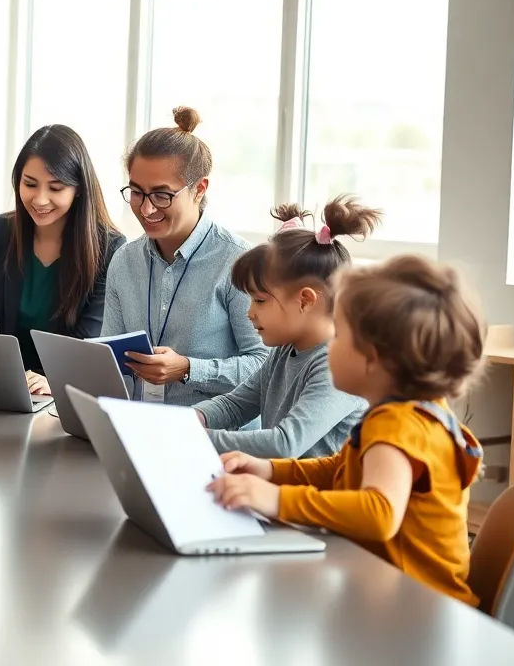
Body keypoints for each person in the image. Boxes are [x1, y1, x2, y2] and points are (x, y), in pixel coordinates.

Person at [209, 255, 485, 605]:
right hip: (398, 597)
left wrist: (276, 499)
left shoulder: (397, 425)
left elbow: (379, 513)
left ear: (373, 357)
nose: (329, 344)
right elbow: (340, 468)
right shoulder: (412, 413)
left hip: (416, 608)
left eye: (338, 334)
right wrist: (271, 470)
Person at [101, 106, 268, 405]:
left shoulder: (239, 262)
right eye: (137, 192)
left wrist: (189, 369)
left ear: (199, 189)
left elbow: (266, 366)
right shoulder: (124, 261)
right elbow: (106, 360)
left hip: (212, 429)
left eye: (162, 195)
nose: (146, 209)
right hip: (136, 422)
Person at [193, 197, 379, 458]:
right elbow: (236, 405)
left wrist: (195, 436)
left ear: (305, 301)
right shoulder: (284, 350)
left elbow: (285, 444)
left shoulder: (337, 366)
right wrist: (193, 417)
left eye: (259, 300)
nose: (250, 312)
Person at [0, 124, 126, 395]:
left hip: (68, 389)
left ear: (79, 189)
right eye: (30, 184)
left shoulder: (110, 248)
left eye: (56, 188)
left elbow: (88, 341)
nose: (40, 200)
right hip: (5, 384)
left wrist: (52, 380)